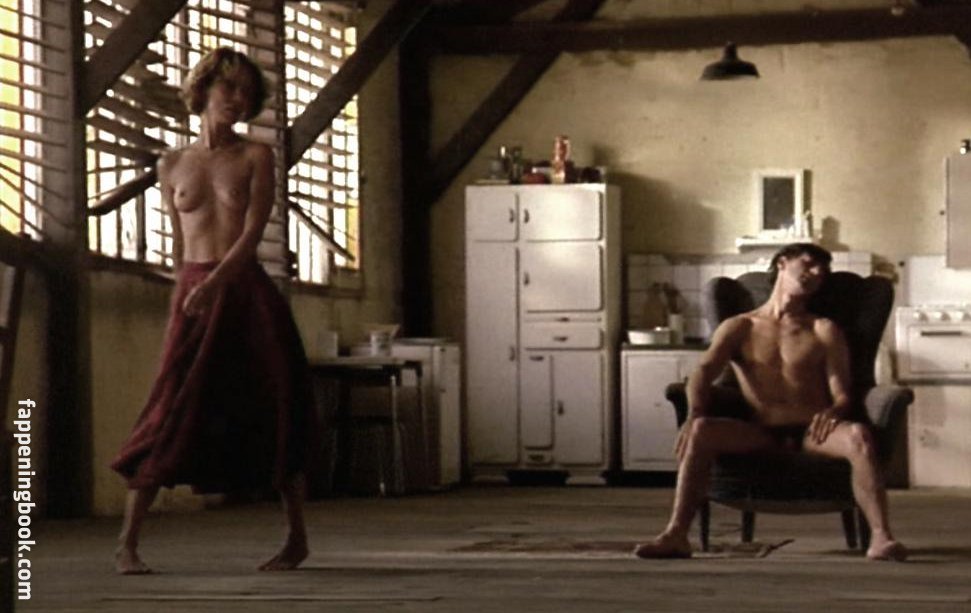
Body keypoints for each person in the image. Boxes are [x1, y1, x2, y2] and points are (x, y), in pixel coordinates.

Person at [111, 47, 315, 574]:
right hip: (194, 291)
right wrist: (183, 298)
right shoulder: (171, 163)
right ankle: (127, 543)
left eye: (247, 92)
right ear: (203, 90)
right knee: (169, 405)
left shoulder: (256, 156)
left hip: (244, 290)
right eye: (229, 87)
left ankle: (296, 537)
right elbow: (181, 246)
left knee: (276, 402)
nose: (237, 99)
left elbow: (252, 233)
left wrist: (216, 282)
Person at [633, 243, 906, 562]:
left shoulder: (823, 329)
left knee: (859, 437)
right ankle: (676, 535)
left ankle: (881, 538)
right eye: (809, 264)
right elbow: (703, 372)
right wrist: (694, 414)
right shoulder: (739, 327)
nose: (817, 273)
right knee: (701, 431)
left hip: (812, 434)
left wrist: (836, 411)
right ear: (782, 263)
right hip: (759, 431)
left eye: (823, 271)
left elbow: (842, 393)